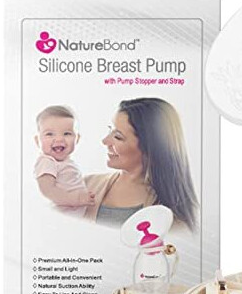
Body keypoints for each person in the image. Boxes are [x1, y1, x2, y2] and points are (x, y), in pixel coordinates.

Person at [83, 98, 198, 229]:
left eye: (118, 137)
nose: (105, 141)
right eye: (110, 131)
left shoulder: (172, 218)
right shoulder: (85, 185)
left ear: (150, 147)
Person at [33, 105, 95, 214]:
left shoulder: (65, 162)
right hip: (62, 215)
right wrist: (76, 199)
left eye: (67, 133)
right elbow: (47, 190)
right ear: (37, 141)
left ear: (77, 139)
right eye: (49, 134)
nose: (59, 139)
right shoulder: (47, 161)